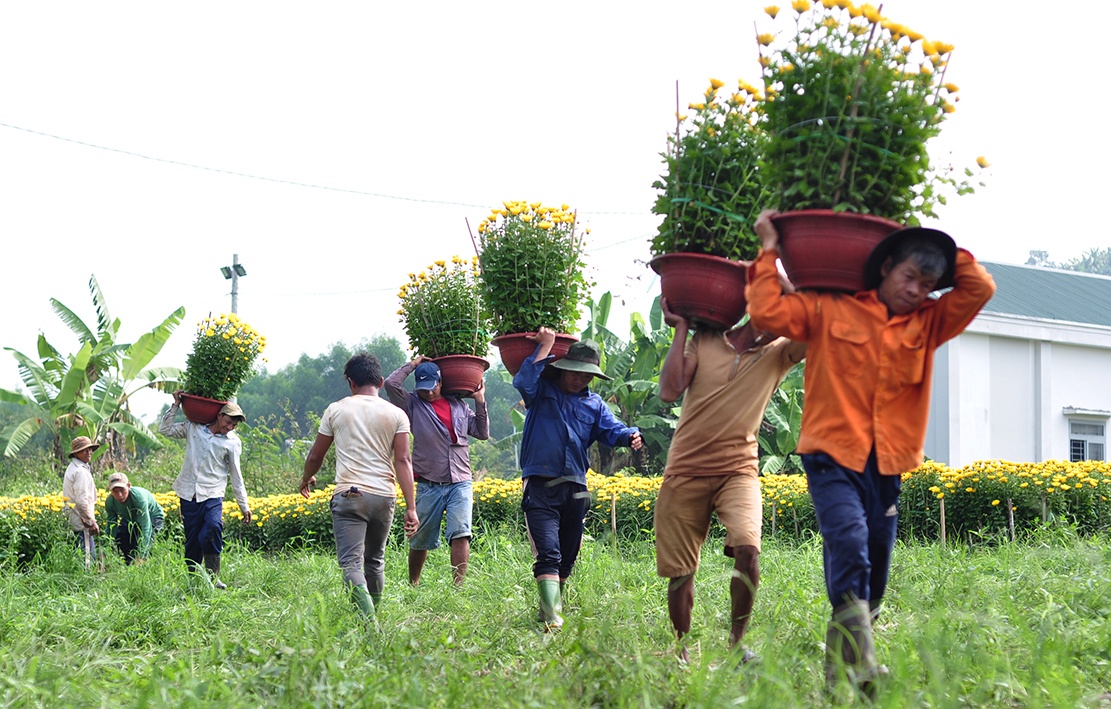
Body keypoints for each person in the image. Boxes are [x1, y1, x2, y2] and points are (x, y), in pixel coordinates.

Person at [747, 210, 995, 693]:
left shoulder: (929, 323)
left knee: (877, 555)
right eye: (909, 276)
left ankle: (839, 672)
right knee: (850, 543)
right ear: (885, 269)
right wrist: (768, 246)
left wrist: (934, 245)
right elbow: (766, 312)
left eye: (927, 283)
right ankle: (864, 662)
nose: (917, 290)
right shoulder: (829, 308)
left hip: (887, 461)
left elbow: (979, 287)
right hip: (832, 454)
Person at [655, 294, 806, 665]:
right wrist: (681, 330)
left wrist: (786, 282)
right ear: (755, 305)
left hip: (739, 469)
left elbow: (818, 325)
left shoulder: (781, 353)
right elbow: (669, 390)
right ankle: (681, 649)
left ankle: (736, 644)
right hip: (685, 469)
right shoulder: (705, 340)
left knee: (748, 548)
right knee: (681, 573)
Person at [514, 328, 643, 630]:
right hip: (541, 484)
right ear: (565, 368)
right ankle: (552, 619)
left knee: (567, 557)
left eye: (587, 376)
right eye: (576, 373)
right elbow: (523, 380)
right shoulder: (542, 392)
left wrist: (631, 435)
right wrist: (546, 345)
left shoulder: (594, 404)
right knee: (548, 552)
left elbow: (614, 429)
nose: (581, 379)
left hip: (576, 488)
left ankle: (550, 608)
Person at [299, 353, 419, 619]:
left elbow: (316, 456)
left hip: (351, 495)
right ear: (379, 380)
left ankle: (369, 625)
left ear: (351, 383)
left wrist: (306, 477)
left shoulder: (336, 409)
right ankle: (371, 619)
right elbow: (403, 460)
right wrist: (411, 507)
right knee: (375, 561)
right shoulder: (397, 414)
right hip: (384, 497)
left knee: (352, 564)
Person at [384, 357, 489, 586]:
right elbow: (391, 384)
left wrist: (480, 400)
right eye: (423, 390)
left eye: (432, 388)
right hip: (429, 483)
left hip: (460, 480)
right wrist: (413, 364)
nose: (428, 393)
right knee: (420, 539)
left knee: (461, 532)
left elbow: (482, 432)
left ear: (440, 382)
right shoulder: (412, 405)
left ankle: (458, 587)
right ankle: (414, 583)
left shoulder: (460, 406)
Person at [161, 393, 252, 589]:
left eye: (234, 426)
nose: (229, 428)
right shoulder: (194, 428)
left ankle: (212, 577)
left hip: (213, 493)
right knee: (192, 538)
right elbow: (165, 429)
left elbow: (236, 475)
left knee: (212, 528)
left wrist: (243, 505)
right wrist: (176, 404)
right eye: (228, 422)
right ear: (219, 416)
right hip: (188, 492)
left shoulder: (232, 442)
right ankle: (193, 579)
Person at [104, 472, 166, 565]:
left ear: (128, 486)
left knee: (143, 541)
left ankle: (145, 563)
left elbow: (146, 527)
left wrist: (141, 554)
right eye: (115, 491)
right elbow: (111, 526)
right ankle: (129, 565)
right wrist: (106, 549)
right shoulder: (110, 501)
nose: (119, 495)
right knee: (123, 539)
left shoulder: (138, 498)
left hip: (152, 516)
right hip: (131, 518)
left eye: (122, 490)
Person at [62, 436, 101, 570]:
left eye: (90, 449)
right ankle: (87, 583)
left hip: (75, 518)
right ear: (76, 453)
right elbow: (82, 501)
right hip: (82, 520)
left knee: (80, 553)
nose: (89, 453)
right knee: (88, 558)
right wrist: (91, 521)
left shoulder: (74, 468)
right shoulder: (80, 472)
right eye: (84, 451)